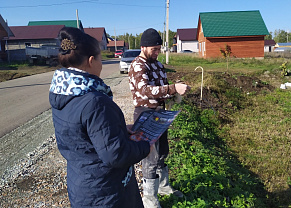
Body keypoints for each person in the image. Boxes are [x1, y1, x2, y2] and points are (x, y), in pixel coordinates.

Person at [49, 27, 151, 207]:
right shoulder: (95, 101)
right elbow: (116, 155)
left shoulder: (61, 92)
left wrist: (119, 129)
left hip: (81, 184)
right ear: (90, 61)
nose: (101, 64)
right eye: (100, 59)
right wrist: (144, 147)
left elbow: (83, 135)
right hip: (106, 192)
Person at [128, 28, 190, 208]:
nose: (157, 52)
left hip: (160, 114)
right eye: (154, 49)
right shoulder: (138, 65)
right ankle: (149, 201)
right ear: (143, 47)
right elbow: (145, 91)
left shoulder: (158, 64)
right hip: (145, 114)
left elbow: (161, 87)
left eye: (158, 49)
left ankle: (163, 187)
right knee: (150, 157)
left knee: (162, 152)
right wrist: (172, 88)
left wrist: (173, 95)